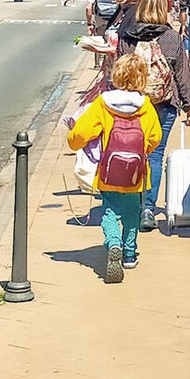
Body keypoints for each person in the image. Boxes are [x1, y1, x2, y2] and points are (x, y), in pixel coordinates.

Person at [67, 52, 164, 282]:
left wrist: (73, 141)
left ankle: (113, 243)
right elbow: (155, 137)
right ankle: (129, 254)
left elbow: (81, 133)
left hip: (109, 172)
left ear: (117, 75)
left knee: (109, 211)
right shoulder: (146, 106)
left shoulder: (103, 104)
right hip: (136, 174)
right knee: (132, 214)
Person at [116, 0, 190, 229]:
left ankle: (130, 204)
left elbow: (118, 72)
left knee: (131, 153)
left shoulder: (128, 36)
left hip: (133, 105)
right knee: (155, 154)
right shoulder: (171, 37)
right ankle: (148, 209)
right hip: (164, 104)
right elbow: (182, 73)